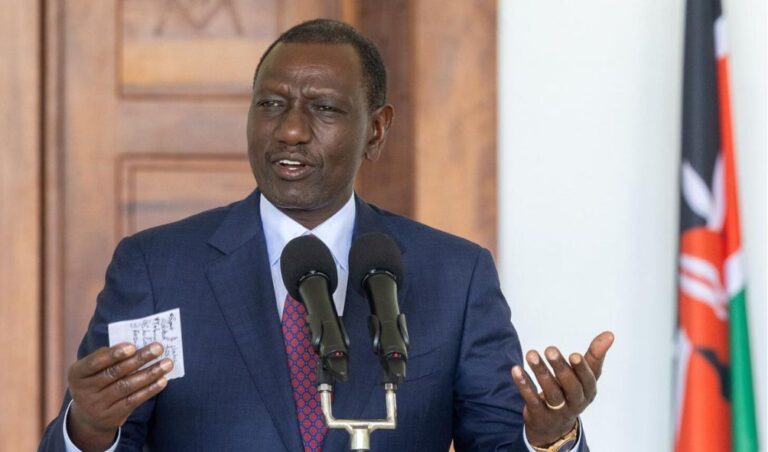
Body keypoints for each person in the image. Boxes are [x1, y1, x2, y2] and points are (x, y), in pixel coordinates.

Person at [39, 19, 613, 452]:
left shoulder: (454, 276)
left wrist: (551, 438)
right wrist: (89, 430)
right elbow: (101, 433)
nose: (290, 130)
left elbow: (500, 441)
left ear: (376, 131)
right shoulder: (156, 267)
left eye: (324, 109)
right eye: (271, 104)